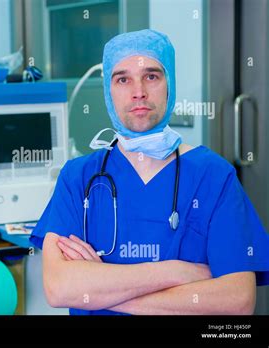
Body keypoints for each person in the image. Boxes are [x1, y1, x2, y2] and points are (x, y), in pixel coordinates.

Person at [29, 29, 269, 315]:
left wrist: (100, 291)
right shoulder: (78, 178)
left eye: (151, 76)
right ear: (108, 90)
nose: (138, 91)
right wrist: (176, 271)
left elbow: (237, 301)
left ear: (170, 84)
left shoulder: (214, 176)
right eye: (123, 79)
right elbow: (60, 288)